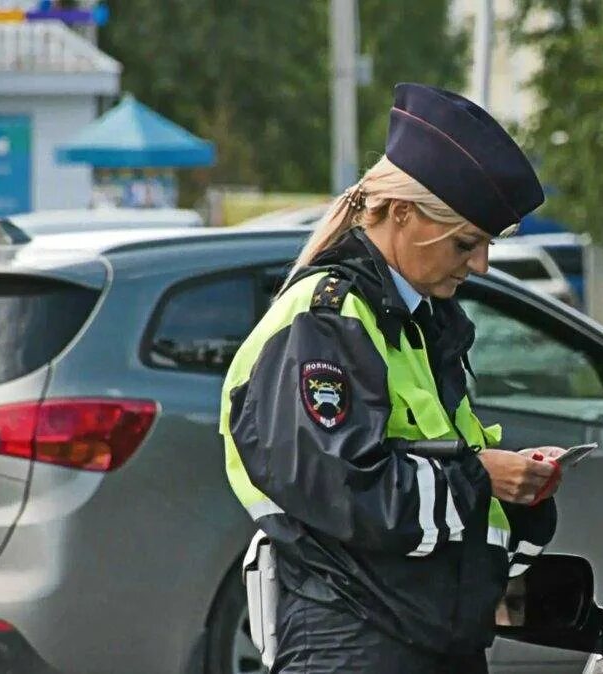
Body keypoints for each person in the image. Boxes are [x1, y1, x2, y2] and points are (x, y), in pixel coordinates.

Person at [219, 82, 565, 673]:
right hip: (353, 642)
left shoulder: (419, 324)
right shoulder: (326, 320)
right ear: (403, 213)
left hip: (427, 639)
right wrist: (481, 477)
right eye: (466, 242)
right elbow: (349, 491)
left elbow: (437, 490)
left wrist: (521, 491)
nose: (479, 264)